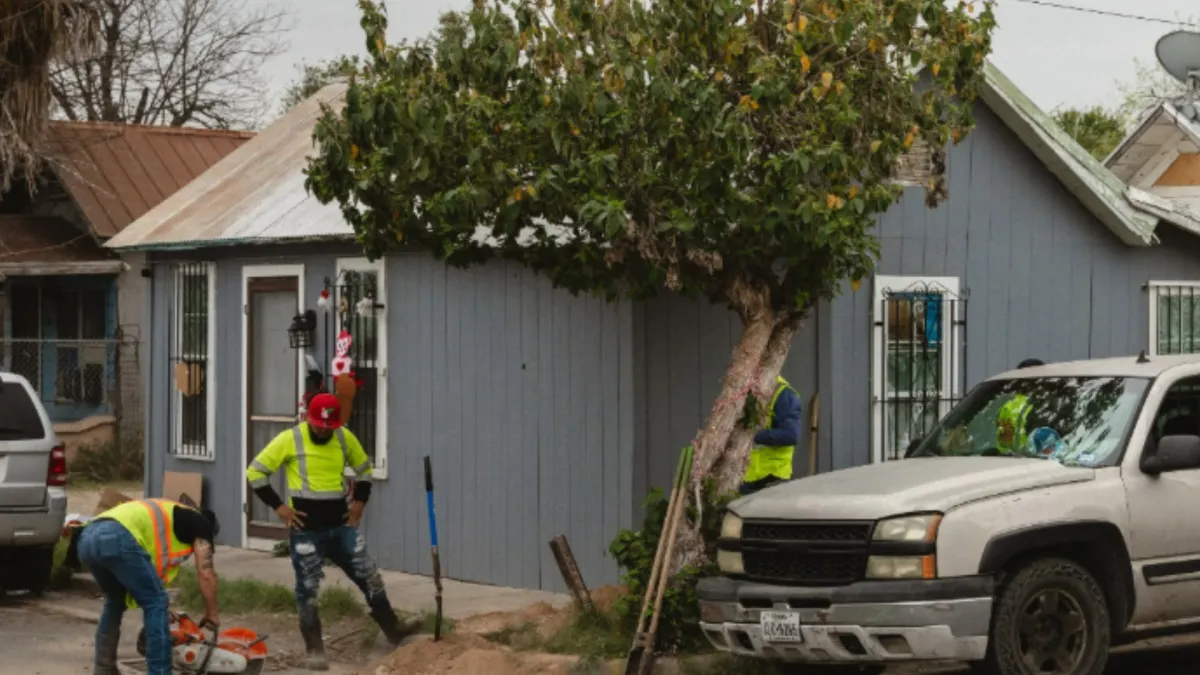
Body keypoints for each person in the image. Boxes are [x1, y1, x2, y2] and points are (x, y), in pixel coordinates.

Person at [247, 393, 415, 671]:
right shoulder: (290, 439)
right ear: (308, 419)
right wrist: (279, 508)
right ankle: (315, 650)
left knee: (369, 575)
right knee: (308, 589)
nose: (324, 429)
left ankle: (392, 628)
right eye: (319, 424)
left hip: (340, 526)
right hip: (306, 531)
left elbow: (364, 469)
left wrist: (359, 503)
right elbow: (255, 472)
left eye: (330, 425)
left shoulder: (344, 437)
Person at [77, 498, 220, 675]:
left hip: (87, 537)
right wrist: (212, 613)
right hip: (117, 537)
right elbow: (206, 574)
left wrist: (162, 611)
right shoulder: (202, 524)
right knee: (156, 602)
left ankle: (104, 668)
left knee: (115, 600)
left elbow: (143, 574)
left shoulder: (171, 517)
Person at [740, 375, 803, 495]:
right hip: (749, 478)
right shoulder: (749, 390)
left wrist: (754, 436)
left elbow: (791, 435)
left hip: (772, 478)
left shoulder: (783, 394)